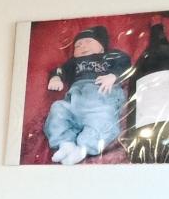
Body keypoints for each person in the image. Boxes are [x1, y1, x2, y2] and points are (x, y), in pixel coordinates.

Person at [42, 24, 130, 165]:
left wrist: (113, 76)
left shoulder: (109, 56)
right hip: (76, 98)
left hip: (101, 94)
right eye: (78, 45)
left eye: (88, 41)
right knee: (58, 108)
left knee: (104, 116)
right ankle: (65, 143)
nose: (82, 46)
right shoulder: (73, 62)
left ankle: (84, 147)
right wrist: (56, 78)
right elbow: (59, 69)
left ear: (102, 47)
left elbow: (125, 62)